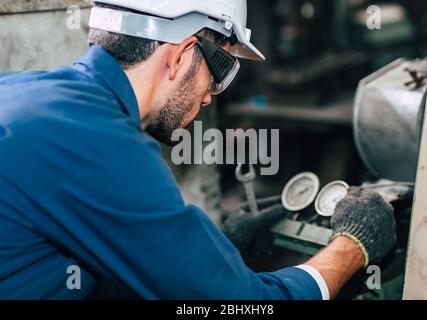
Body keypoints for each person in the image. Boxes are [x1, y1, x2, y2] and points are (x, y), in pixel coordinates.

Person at [0, 0, 396, 299]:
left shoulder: (24, 90)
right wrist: (352, 245)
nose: (210, 96)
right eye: (220, 69)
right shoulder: (101, 144)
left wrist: (206, 252)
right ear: (182, 55)